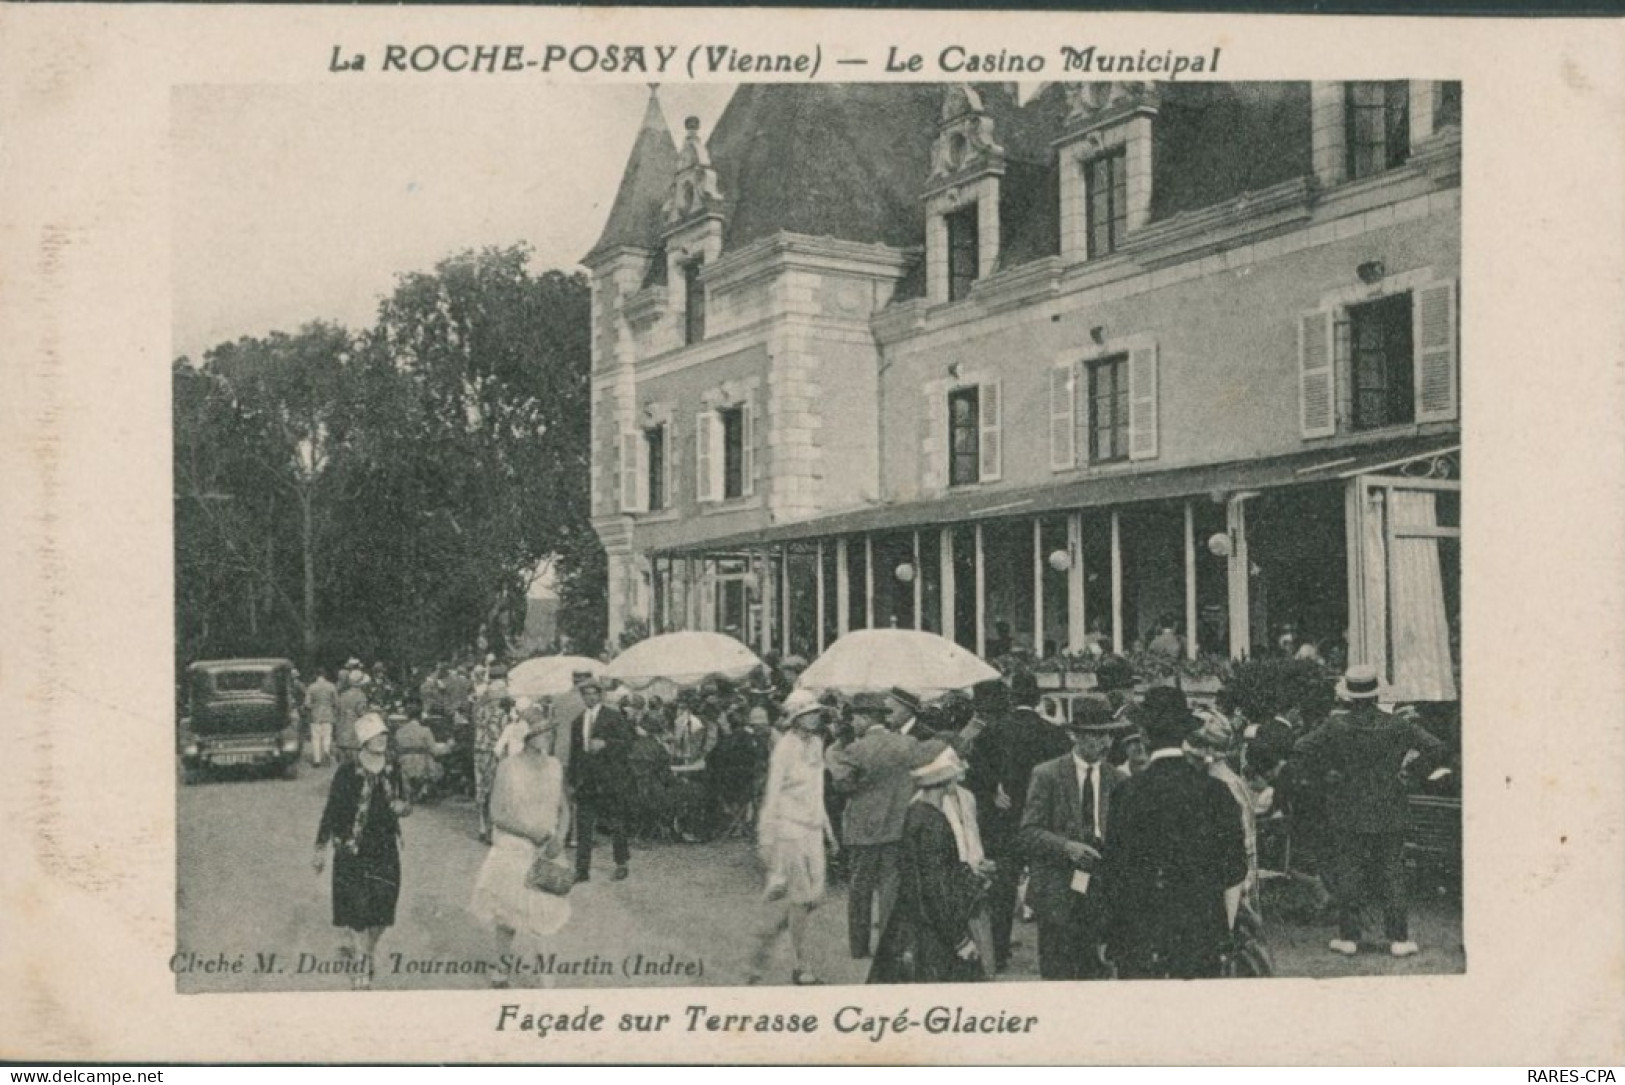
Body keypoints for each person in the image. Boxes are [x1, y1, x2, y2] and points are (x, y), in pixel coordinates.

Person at [1293, 664, 1445, 959]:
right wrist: (1410, 773)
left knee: (1349, 870)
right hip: (1390, 805)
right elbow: (1436, 747)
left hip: (1347, 806)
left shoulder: (1335, 726)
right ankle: (1398, 937)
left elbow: (1301, 748)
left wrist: (1327, 774)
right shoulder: (1398, 725)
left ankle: (1349, 936)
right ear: (1377, 694)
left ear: (1349, 696)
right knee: (1392, 871)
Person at [1100, 687, 1248, 979]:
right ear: (1185, 736)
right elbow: (1235, 868)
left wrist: (1111, 931)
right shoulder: (1215, 792)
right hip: (1198, 931)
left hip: (1138, 933)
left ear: (1144, 736)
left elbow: (1113, 870)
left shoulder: (1126, 793)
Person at [1020, 697, 1131, 980]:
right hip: (1057, 892)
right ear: (1074, 735)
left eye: (1109, 734)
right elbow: (1029, 832)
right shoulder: (1047, 775)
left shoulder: (1118, 780)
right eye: (1096, 735)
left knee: (1097, 975)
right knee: (1058, 975)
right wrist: (1066, 847)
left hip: (1101, 894)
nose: (1105, 742)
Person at [469, 705, 572, 989]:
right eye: (542, 733)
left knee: (545, 916)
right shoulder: (508, 767)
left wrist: (560, 837)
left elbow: (564, 808)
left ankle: (547, 984)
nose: (548, 738)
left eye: (549, 732)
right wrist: (532, 833)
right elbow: (497, 814)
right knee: (507, 916)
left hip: (546, 850)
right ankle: (500, 970)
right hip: (513, 849)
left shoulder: (554, 766)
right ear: (528, 738)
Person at [869, 745, 991, 985]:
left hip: (910, 921)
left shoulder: (915, 813)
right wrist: (959, 939)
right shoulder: (934, 823)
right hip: (932, 932)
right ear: (946, 778)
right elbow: (936, 888)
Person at [745, 691, 838, 986]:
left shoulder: (818, 744)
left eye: (816, 712)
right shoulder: (784, 748)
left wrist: (829, 830)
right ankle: (801, 966)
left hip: (812, 829)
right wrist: (766, 836)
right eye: (808, 713)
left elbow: (817, 791)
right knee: (802, 898)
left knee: (815, 898)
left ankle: (771, 935)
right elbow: (772, 793)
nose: (814, 717)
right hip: (789, 828)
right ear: (795, 717)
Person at [312, 712, 409, 989]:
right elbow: (331, 811)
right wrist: (320, 848)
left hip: (385, 848)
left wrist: (404, 808)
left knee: (382, 908)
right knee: (356, 908)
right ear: (363, 741)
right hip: (352, 849)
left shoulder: (393, 768)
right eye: (374, 736)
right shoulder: (347, 771)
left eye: (383, 735)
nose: (380, 740)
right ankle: (362, 962)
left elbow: (405, 801)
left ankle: (366, 951)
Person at [826, 690, 921, 959]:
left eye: (855, 718)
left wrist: (834, 750)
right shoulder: (909, 743)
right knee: (891, 888)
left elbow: (842, 784)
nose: (853, 723)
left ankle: (859, 947)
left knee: (860, 891)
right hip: (897, 824)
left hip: (862, 828)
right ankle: (889, 946)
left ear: (867, 718)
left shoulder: (854, 750)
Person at [568, 678, 633, 882]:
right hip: (586, 781)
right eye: (585, 694)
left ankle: (621, 863)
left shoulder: (613, 717)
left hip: (609, 779)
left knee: (616, 822)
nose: (589, 697)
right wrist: (572, 780)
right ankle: (582, 869)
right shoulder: (577, 721)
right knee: (584, 824)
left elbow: (628, 743)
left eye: (593, 694)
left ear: (600, 695)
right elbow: (574, 753)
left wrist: (606, 744)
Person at [472, 667, 512, 845]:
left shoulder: (480, 711)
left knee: (481, 787)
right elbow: (502, 737)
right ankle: (493, 829)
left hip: (479, 750)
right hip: (494, 753)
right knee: (496, 789)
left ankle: (482, 825)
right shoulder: (502, 715)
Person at [394, 708, 448, 803]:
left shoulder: (399, 732)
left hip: (404, 764)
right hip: (422, 764)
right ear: (420, 718)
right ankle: (425, 791)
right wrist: (447, 747)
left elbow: (396, 749)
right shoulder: (425, 731)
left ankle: (409, 794)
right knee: (438, 766)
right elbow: (434, 750)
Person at [334, 669, 370, 765]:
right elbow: (362, 713)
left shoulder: (343, 695)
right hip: (354, 735)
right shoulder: (361, 696)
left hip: (341, 733)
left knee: (343, 765)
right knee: (355, 765)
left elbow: (337, 711)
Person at [304, 668, 339, 767]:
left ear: (316, 675)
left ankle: (317, 760)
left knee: (315, 738)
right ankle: (326, 752)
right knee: (327, 736)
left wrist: (313, 707)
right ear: (325, 675)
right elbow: (336, 702)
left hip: (315, 715)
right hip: (328, 714)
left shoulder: (311, 687)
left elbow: (307, 703)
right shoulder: (331, 686)